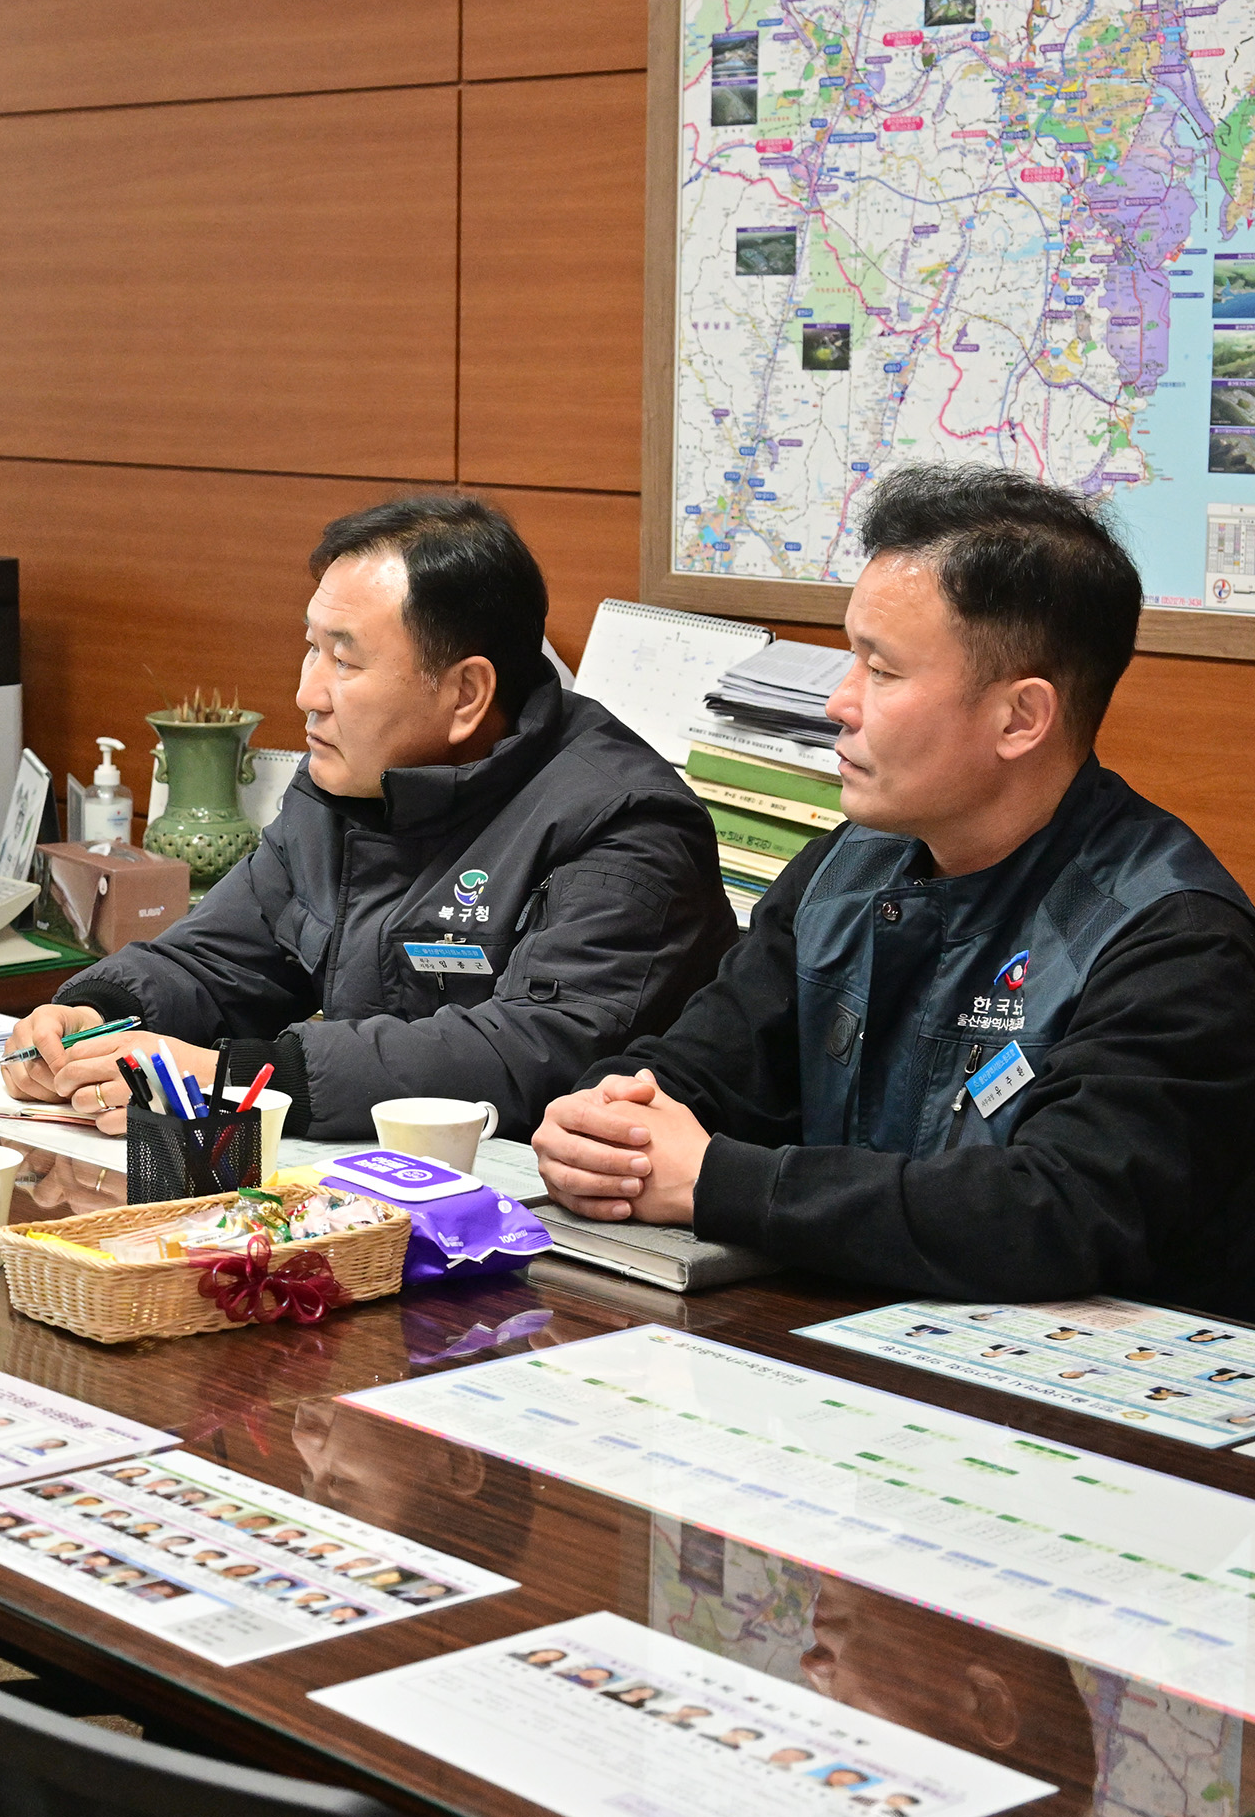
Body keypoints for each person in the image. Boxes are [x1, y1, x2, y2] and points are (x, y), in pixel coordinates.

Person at [533, 466, 1255, 1315]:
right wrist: (607, 1120)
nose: (839, 702)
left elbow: (1054, 1212)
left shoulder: (1178, 938)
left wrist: (719, 1182)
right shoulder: (853, 861)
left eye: (881, 671)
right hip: (848, 1337)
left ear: (1021, 718)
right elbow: (710, 1063)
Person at [0, 494, 734, 1140]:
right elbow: (219, 957)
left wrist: (249, 1077)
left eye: (344, 663)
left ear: (467, 694)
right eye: (310, 649)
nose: (307, 694)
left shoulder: (623, 822)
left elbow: (533, 1053)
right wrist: (101, 1012)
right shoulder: (344, 786)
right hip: (368, 1187)